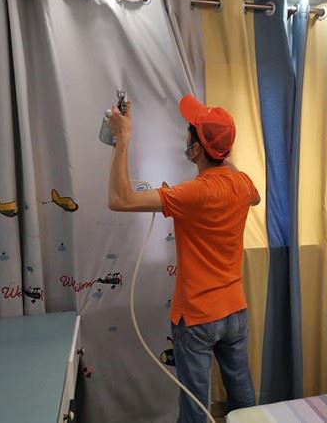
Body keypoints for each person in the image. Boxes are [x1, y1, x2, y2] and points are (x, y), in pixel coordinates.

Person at [107, 94, 259, 422]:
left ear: (197, 148)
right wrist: (221, 155)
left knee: (195, 405)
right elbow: (255, 197)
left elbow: (120, 199)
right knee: (242, 392)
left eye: (190, 133)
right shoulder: (243, 184)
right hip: (234, 311)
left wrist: (123, 137)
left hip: (197, 317)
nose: (186, 137)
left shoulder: (193, 193)